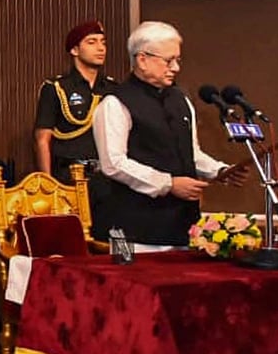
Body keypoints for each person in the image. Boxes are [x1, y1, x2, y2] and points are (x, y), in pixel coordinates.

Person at [92, 21, 244, 250]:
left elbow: (191, 153)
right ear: (142, 60)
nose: (176, 68)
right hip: (139, 230)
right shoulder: (115, 102)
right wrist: (167, 184)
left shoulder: (181, 100)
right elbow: (113, 163)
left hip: (184, 227)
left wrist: (219, 171)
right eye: (169, 61)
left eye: (178, 60)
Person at [33, 21, 118, 225]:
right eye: (92, 42)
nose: (100, 48)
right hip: (68, 178)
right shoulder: (56, 87)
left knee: (105, 235)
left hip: (106, 177)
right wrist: (48, 184)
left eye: (103, 42)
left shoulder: (113, 88)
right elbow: (42, 140)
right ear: (74, 50)